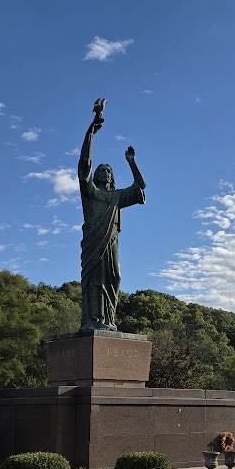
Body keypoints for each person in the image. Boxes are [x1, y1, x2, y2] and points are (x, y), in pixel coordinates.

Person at [77, 101, 146, 331]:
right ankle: (93, 321)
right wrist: (91, 133)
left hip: (111, 244)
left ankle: (108, 320)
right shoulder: (90, 193)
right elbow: (84, 164)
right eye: (101, 170)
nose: (105, 172)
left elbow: (140, 186)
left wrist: (132, 162)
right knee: (95, 281)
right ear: (95, 176)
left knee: (114, 278)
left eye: (108, 171)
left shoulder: (117, 196)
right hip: (93, 244)